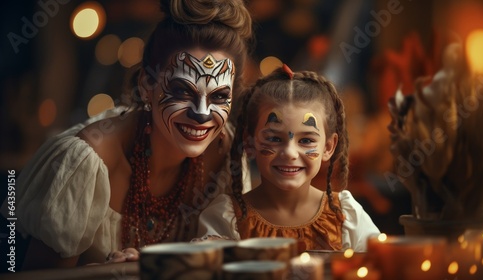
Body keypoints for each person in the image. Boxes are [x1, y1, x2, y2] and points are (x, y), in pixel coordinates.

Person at [1, 0, 253, 269]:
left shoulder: (228, 157)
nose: (202, 113)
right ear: (147, 85)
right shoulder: (85, 161)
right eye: (182, 90)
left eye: (219, 96)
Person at [197, 65, 380, 252]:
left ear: (328, 147)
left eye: (307, 140)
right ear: (249, 143)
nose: (290, 153)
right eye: (274, 138)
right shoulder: (226, 218)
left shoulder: (347, 216)